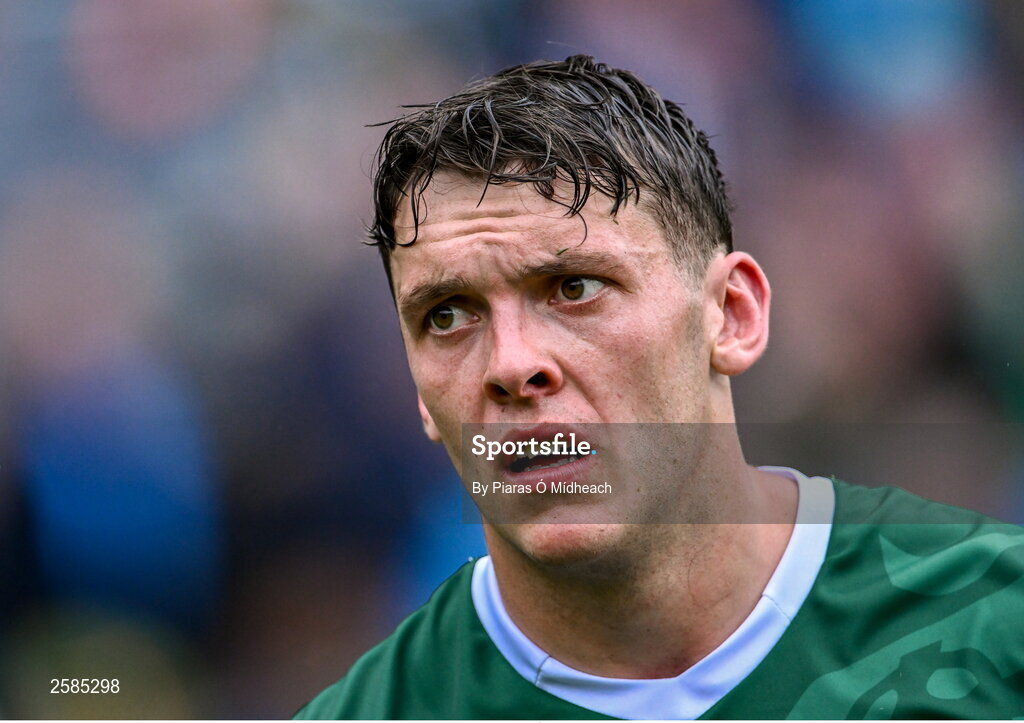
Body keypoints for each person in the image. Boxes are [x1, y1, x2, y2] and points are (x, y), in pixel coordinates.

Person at [295, 55, 1024, 719]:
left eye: (574, 287)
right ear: (419, 392)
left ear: (731, 315)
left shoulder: (995, 627)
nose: (511, 364)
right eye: (446, 316)